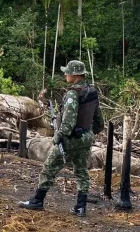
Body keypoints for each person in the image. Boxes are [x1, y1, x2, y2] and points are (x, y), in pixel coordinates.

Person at [19, 60, 104, 217]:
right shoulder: (92, 92)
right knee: (82, 172)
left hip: (70, 139)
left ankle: (37, 200)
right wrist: (88, 134)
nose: (65, 74)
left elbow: (69, 122)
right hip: (85, 138)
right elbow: (99, 121)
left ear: (76, 75)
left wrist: (58, 137)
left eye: (68, 72)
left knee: (49, 168)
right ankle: (81, 207)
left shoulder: (72, 94)